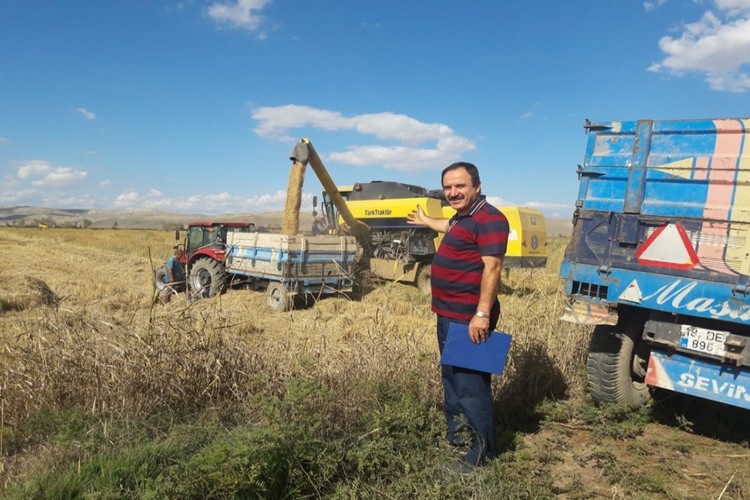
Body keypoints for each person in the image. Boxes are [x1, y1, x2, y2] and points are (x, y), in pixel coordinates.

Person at [407, 161, 509, 471]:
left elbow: (492, 267)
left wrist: (481, 314)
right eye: (448, 187)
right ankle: (459, 438)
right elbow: (447, 226)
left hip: (469, 318)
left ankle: (481, 455)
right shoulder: (464, 217)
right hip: (447, 314)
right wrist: (427, 220)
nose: (453, 192)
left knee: (471, 387)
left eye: (460, 186)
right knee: (451, 380)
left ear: (477, 186)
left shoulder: (490, 219)